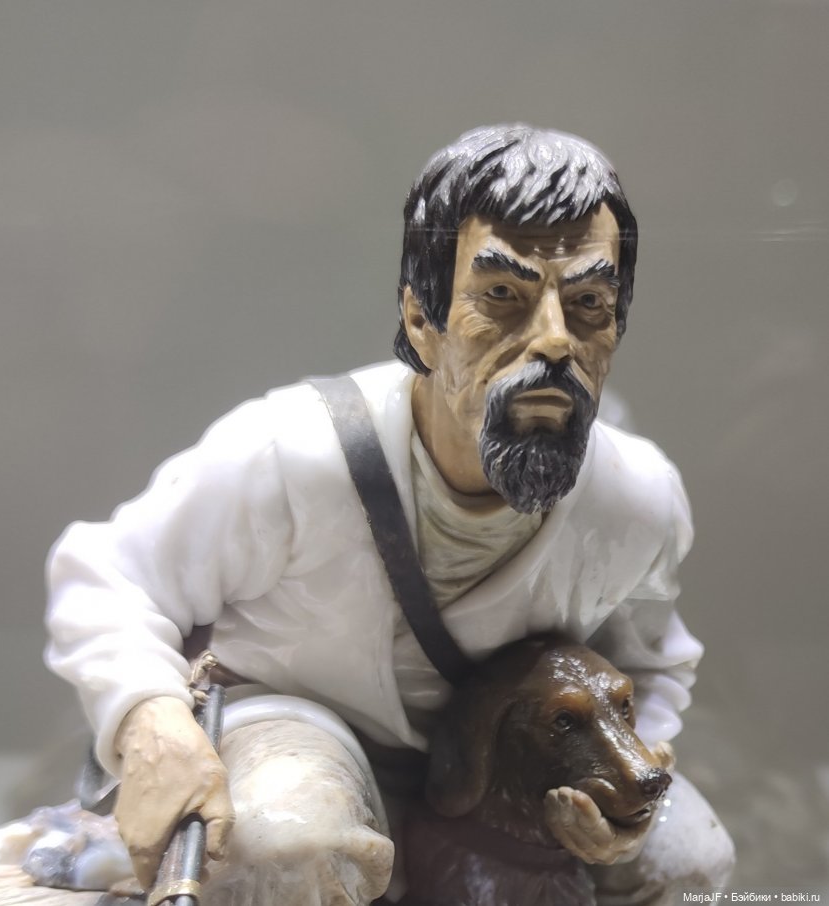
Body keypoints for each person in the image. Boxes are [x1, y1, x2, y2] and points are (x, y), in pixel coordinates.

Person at [45, 124, 734, 905]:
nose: (552, 341)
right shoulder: (291, 456)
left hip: (506, 772)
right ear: (419, 319)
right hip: (297, 725)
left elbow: (650, 663)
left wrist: (623, 800)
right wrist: (149, 720)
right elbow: (109, 578)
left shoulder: (635, 499)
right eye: (501, 297)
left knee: (689, 860)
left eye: (587, 305)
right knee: (290, 842)